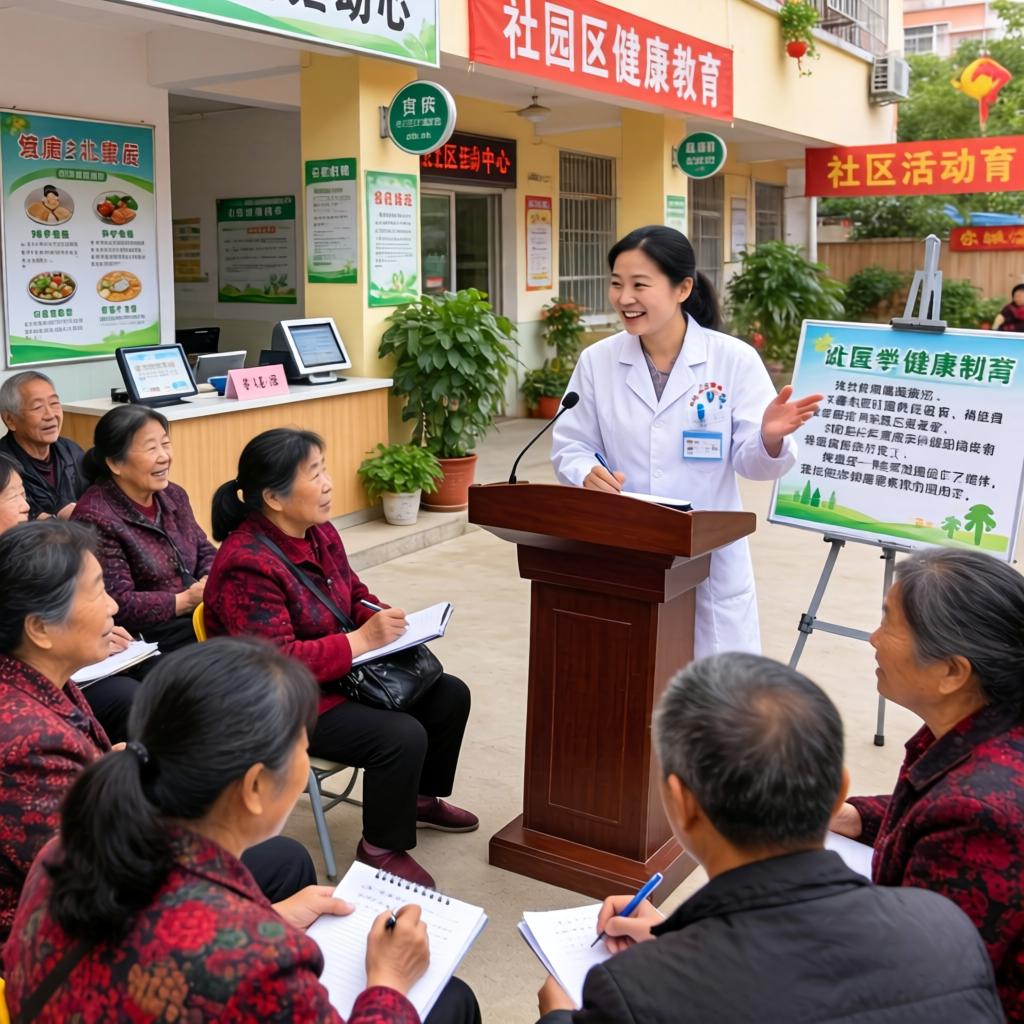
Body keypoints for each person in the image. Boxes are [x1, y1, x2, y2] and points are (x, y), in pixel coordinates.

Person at [3, 637, 481, 1024]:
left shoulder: (69, 847)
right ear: (254, 787)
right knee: (450, 1001)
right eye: (301, 747)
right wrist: (389, 981)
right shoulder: (255, 960)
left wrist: (272, 915)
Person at [536, 652, 1003, 1023]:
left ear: (681, 802)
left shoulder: (633, 994)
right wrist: (678, 940)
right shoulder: (947, 929)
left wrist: (557, 1015)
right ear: (839, 792)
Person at [0, 520, 317, 947]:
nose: (113, 605)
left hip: (103, 884)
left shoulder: (41, 682)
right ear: (39, 628)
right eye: (97, 591)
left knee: (280, 856)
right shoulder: (28, 744)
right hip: (59, 943)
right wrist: (268, 919)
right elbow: (101, 888)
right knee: (284, 864)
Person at [204, 428, 476, 889]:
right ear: (273, 497)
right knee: (400, 735)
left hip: (339, 674)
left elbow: (351, 592)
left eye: (324, 469)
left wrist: (380, 617)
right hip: (281, 700)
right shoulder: (245, 563)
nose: (328, 483)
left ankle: (417, 800)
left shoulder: (319, 531)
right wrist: (360, 642)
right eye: (314, 474)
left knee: (449, 694)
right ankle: (380, 849)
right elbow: (277, 662)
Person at [550, 226, 822, 659]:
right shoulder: (597, 361)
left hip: (708, 559)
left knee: (709, 685)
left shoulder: (732, 359)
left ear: (683, 288)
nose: (624, 298)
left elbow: (753, 464)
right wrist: (585, 472)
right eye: (617, 284)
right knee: (630, 673)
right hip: (625, 549)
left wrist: (769, 439)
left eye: (640, 285)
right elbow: (571, 444)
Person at [831, 547, 1024, 1021]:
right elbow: (932, 802)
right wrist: (856, 817)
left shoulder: (980, 820)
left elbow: (912, 989)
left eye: (889, 622)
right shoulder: (987, 729)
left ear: (952, 672)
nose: (873, 638)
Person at [0, 457, 137, 742]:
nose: (25, 506)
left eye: (24, 494)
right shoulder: (32, 739)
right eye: (13, 496)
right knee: (131, 698)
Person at [71, 403, 215, 652]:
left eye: (165, 444)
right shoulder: (95, 517)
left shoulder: (173, 495)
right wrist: (183, 601)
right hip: (146, 638)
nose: (164, 456)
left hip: (194, 615)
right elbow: (117, 601)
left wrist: (209, 580)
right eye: (151, 448)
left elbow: (203, 548)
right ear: (115, 463)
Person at [0, 370, 87, 520]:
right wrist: (57, 516)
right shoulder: (4, 467)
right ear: (10, 420)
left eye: (54, 403)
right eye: (37, 407)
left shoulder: (71, 451)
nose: (51, 415)